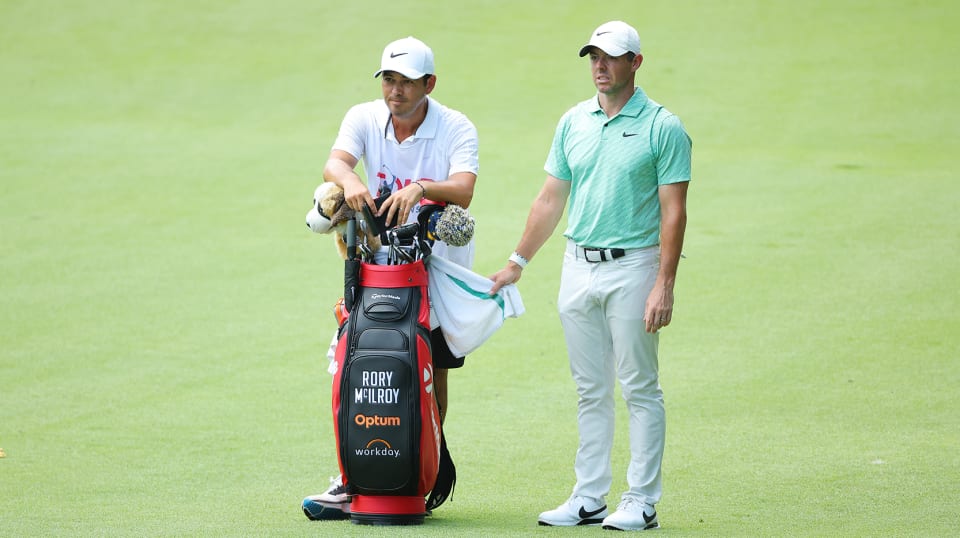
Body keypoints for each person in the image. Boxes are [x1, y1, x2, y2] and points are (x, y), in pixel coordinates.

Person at [488, 20, 691, 532]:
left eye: (611, 57)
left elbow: (674, 212)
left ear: (635, 63)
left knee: (639, 386)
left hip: (635, 266)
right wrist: (518, 260)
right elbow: (551, 198)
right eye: (593, 57)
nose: (599, 66)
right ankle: (589, 498)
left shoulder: (662, 127)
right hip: (577, 265)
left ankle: (641, 501)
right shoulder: (573, 121)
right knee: (590, 389)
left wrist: (664, 284)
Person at [302, 35, 479, 520]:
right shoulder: (363, 117)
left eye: (405, 82)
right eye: (389, 80)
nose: (395, 91)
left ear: (429, 83)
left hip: (438, 267)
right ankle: (352, 477)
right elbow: (334, 163)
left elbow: (463, 189)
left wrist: (421, 188)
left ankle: (423, 465)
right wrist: (351, 180)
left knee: (430, 367)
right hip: (376, 264)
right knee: (355, 357)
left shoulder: (454, 126)